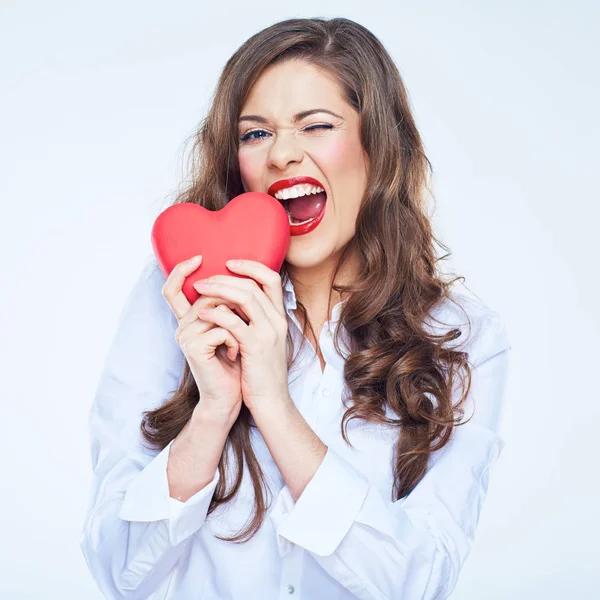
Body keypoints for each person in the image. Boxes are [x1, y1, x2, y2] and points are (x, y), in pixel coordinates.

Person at [80, 16, 511, 600]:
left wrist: (274, 407)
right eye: (254, 134)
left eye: (316, 125)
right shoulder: (176, 298)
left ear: (379, 148)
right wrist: (213, 411)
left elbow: (417, 582)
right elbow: (119, 572)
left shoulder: (463, 337)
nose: (282, 153)